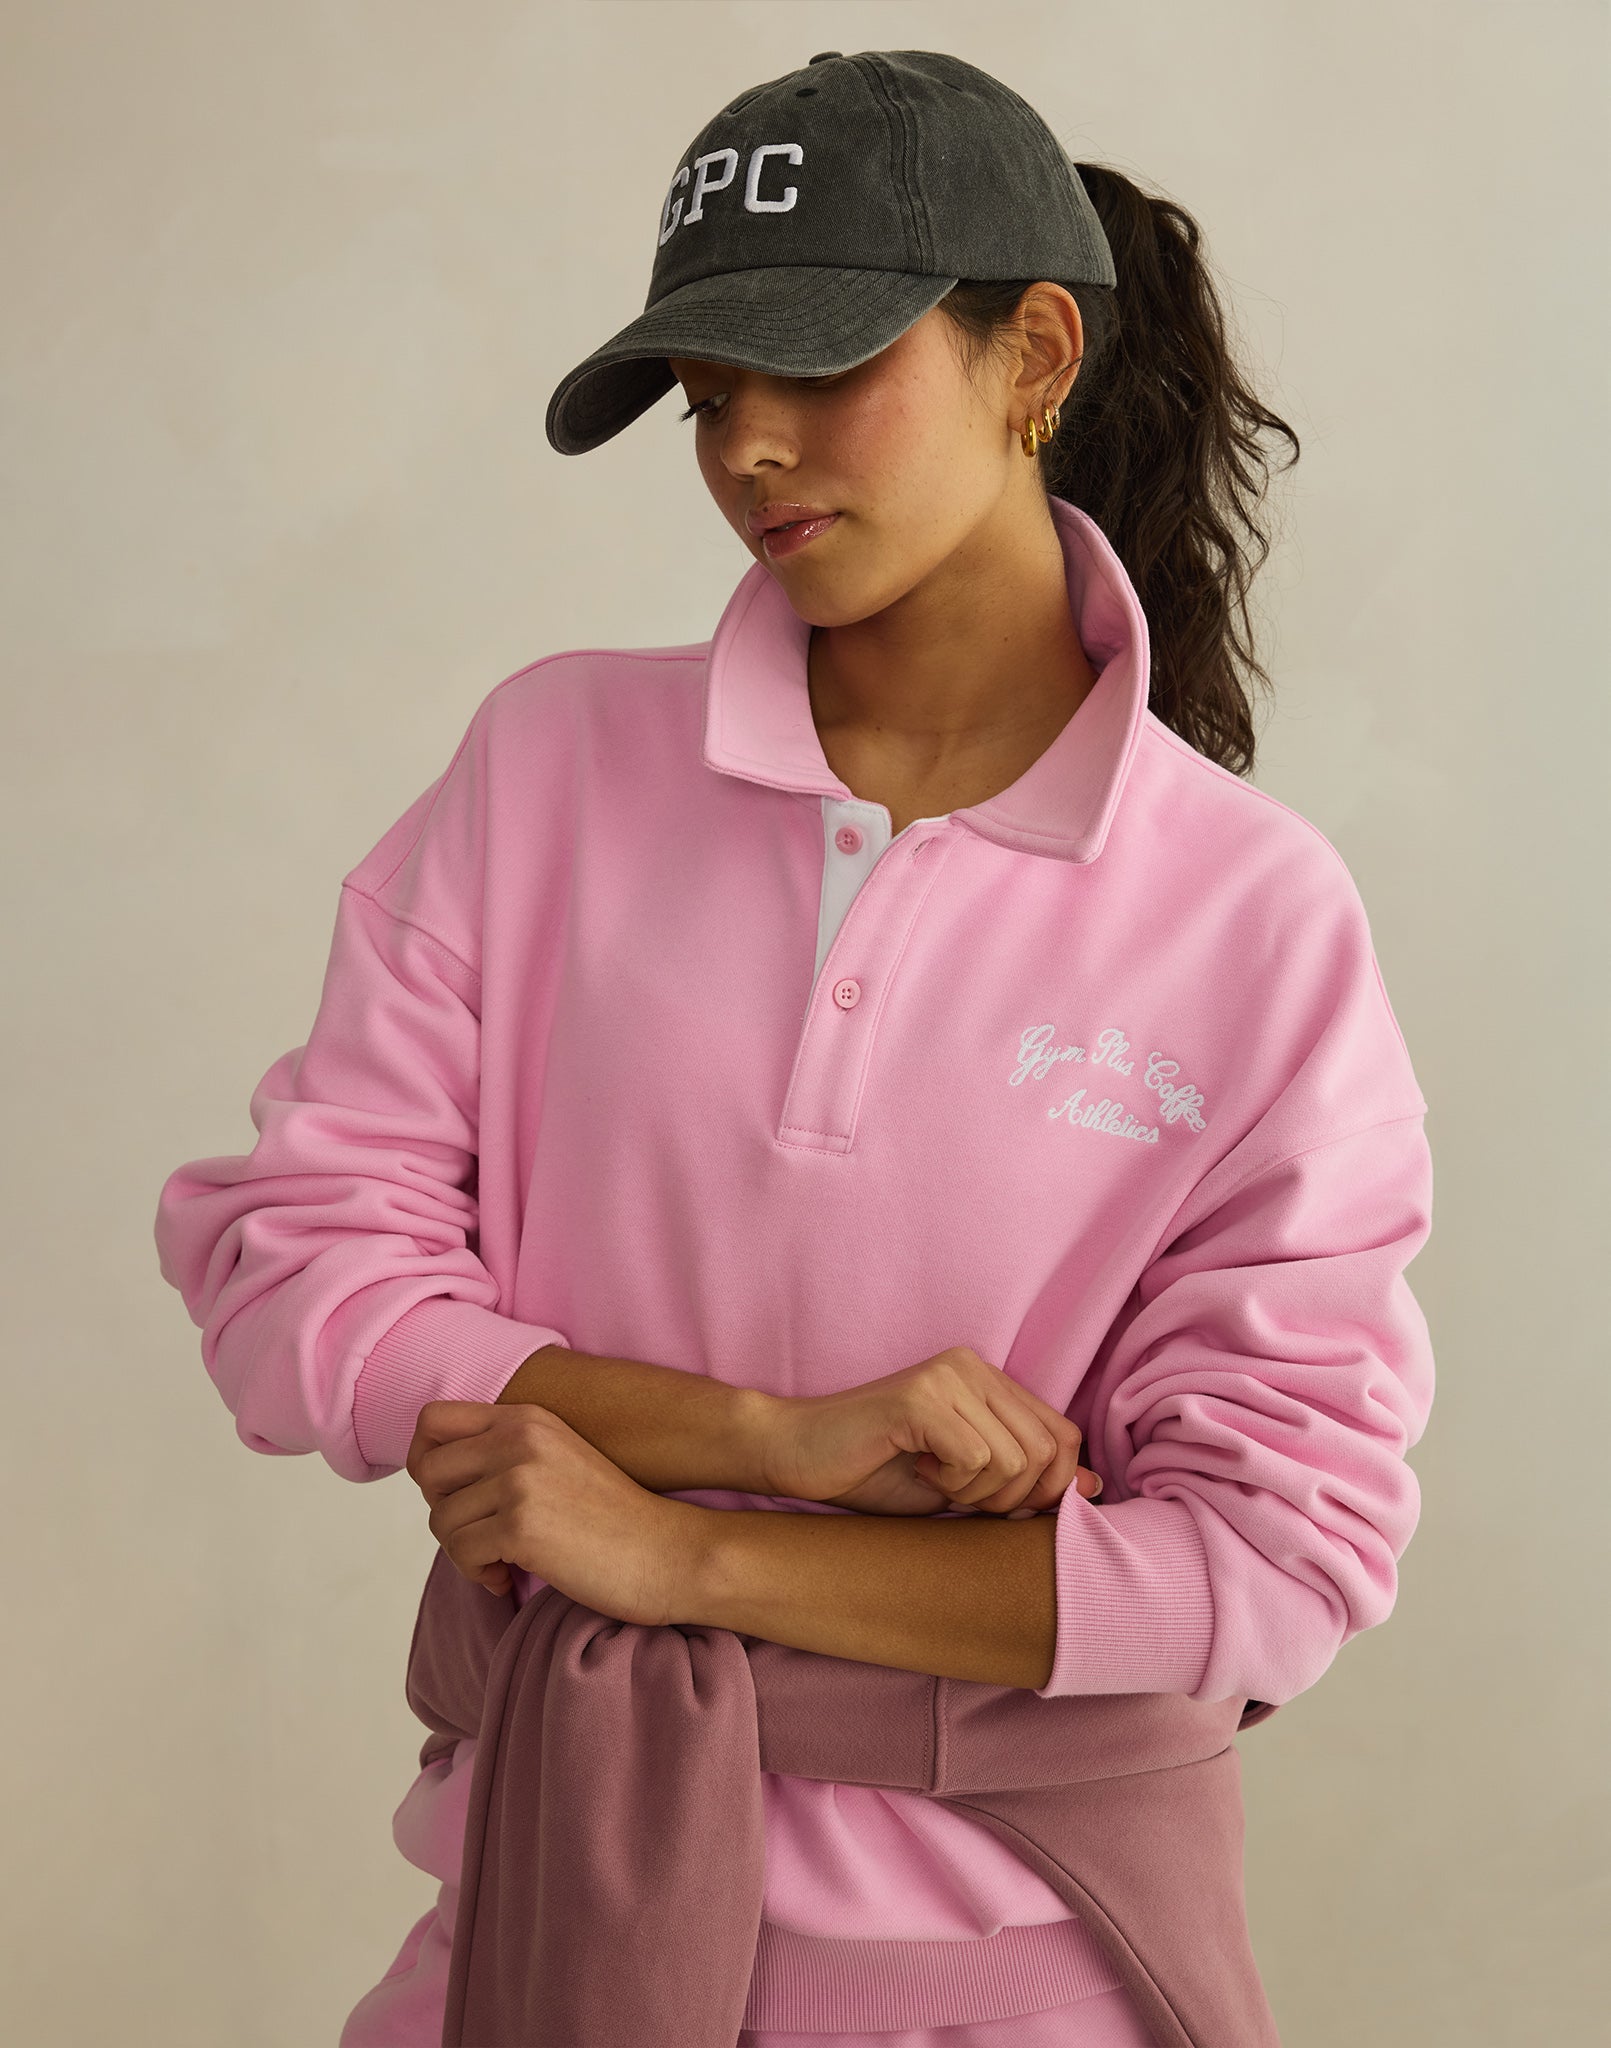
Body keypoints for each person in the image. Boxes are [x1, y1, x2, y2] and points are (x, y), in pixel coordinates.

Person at [153, 48, 1435, 2048]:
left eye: (820, 368)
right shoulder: (551, 766)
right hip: (529, 1924)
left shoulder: (1248, 913)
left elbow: (1272, 1561)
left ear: (1033, 355)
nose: (748, 446)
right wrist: (765, 1435)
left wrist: (682, 1555)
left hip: (1008, 1980)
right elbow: (290, 1274)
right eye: (702, 393)